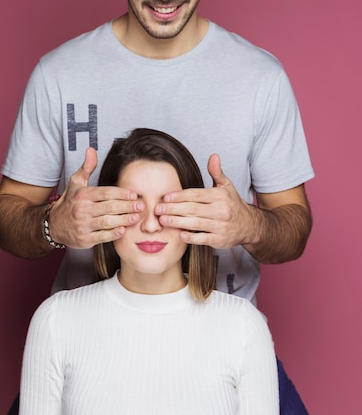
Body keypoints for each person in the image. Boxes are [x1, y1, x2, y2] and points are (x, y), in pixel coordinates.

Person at [0, 0, 314, 414]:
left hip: (218, 346)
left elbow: (295, 227)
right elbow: (7, 217)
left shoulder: (260, 79)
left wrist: (248, 223)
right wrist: (54, 223)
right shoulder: (60, 75)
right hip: (90, 344)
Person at [19, 128, 279, 415]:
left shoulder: (243, 327)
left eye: (167, 205)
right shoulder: (56, 321)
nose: (151, 226)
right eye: (135, 205)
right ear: (103, 211)